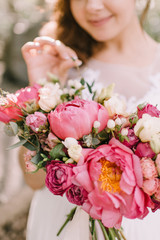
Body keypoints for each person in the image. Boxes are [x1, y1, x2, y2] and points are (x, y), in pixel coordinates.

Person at [20, 0, 160, 239]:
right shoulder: (66, 63)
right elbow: (33, 180)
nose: (92, 6)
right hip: (59, 227)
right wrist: (42, 90)